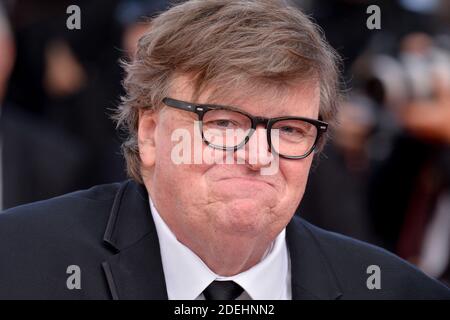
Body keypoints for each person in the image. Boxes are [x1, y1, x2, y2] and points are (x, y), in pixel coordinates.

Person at [0, 0, 448, 300]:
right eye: (224, 124)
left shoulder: (400, 291)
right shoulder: (17, 264)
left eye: (290, 130)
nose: (258, 157)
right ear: (151, 133)